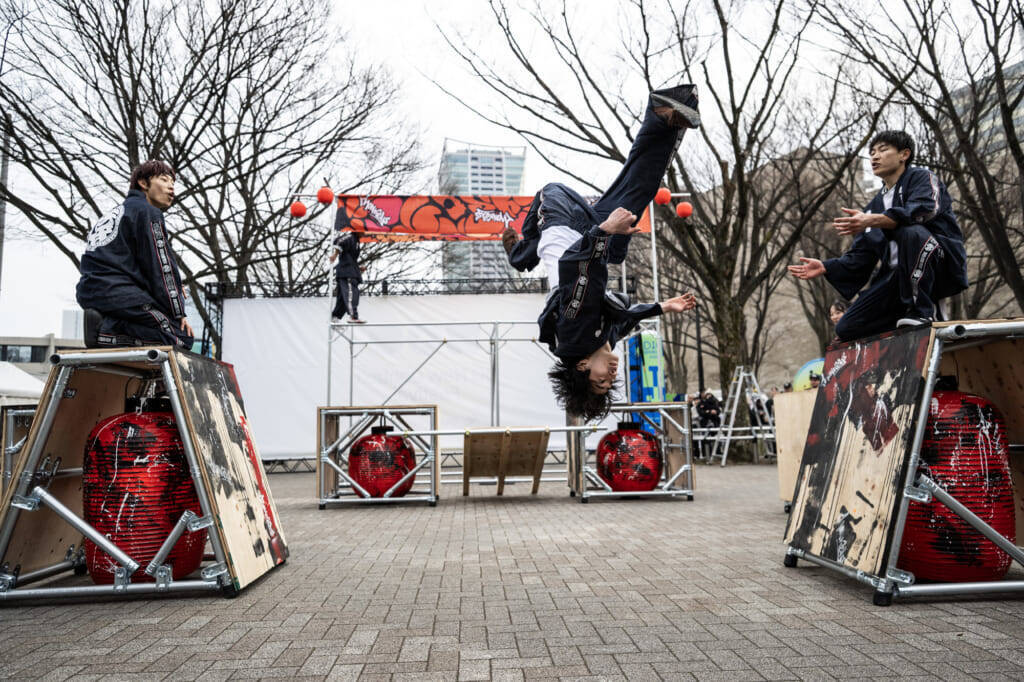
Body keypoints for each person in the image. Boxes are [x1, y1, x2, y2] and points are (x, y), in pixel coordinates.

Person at [502, 85, 701, 420]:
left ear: (581, 366)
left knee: (585, 242)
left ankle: (520, 252)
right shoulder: (598, 340)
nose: (610, 376)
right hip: (587, 232)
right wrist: (664, 307)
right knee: (640, 190)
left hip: (560, 210)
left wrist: (605, 230)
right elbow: (625, 317)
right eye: (611, 384)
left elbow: (571, 266)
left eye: (599, 382)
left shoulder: (574, 331)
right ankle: (662, 114)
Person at [788, 130, 968, 342]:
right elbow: (862, 255)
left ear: (904, 154)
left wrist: (873, 220)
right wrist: (827, 266)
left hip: (935, 263)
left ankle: (924, 312)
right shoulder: (874, 205)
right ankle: (902, 325)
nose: (875, 156)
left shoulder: (922, 178)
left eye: (883, 150)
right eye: (872, 152)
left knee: (911, 231)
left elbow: (922, 211)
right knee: (847, 327)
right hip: (895, 277)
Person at [77, 160, 194, 349]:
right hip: (118, 293)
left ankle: (107, 325)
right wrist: (178, 312)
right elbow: (161, 266)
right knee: (182, 338)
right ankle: (104, 333)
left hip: (93, 292)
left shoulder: (115, 213)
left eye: (173, 183)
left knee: (161, 329)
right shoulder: (147, 212)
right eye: (164, 180)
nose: (171, 188)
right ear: (143, 183)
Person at [330, 226, 365, 324]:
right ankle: (353, 316)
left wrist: (358, 268)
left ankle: (335, 316)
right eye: (363, 229)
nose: (365, 232)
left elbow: (350, 259)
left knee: (342, 298)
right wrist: (335, 255)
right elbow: (339, 241)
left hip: (350, 271)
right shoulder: (350, 237)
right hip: (346, 273)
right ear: (357, 229)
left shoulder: (356, 242)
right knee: (351, 294)